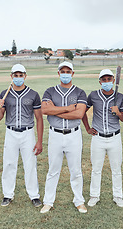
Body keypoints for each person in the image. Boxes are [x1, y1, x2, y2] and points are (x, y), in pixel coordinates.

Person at [40, 61, 88, 214]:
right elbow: (44, 110)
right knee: (53, 170)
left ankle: (79, 201)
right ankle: (48, 202)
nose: (65, 74)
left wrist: (54, 110)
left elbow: (79, 114)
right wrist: (67, 108)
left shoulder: (80, 92)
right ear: (58, 73)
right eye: (63, 71)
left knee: (76, 170)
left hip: (74, 134)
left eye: (68, 71)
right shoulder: (50, 91)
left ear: (73, 73)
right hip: (55, 133)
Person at [0, 64, 43, 208]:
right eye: (15, 75)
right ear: (11, 77)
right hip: (10, 132)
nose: (18, 78)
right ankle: (8, 195)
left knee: (30, 165)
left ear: (25, 76)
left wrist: (39, 141)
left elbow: (39, 118)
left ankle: (34, 195)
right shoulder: (5, 93)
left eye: (20, 75)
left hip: (28, 132)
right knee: (9, 164)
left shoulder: (33, 94)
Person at [82, 69, 123, 208]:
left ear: (113, 80)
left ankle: (118, 196)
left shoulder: (119, 97)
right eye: (104, 79)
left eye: (109, 79)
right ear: (100, 81)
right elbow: (82, 111)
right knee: (96, 168)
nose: (107, 82)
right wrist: (87, 128)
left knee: (116, 169)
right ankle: (94, 195)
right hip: (98, 137)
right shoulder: (93, 95)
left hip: (115, 137)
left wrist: (118, 112)